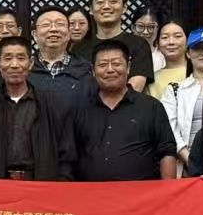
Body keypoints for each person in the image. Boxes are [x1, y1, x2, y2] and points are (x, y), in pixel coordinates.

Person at [0, 36, 72, 181]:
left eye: (21, 58)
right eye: (8, 58)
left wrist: (61, 182)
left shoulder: (51, 104)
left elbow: (66, 153)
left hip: (41, 184)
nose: (14, 65)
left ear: (31, 63)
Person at [69, 40, 177, 181]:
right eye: (102, 65)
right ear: (93, 71)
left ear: (128, 67)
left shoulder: (151, 107)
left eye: (116, 63)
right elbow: (68, 156)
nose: (110, 70)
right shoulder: (79, 109)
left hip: (142, 193)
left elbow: (167, 152)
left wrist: (168, 190)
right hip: (90, 192)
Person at [161, 28, 203, 176]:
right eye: (197, 48)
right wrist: (191, 161)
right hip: (186, 166)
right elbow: (169, 129)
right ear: (188, 53)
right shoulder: (174, 90)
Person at [72, 0, 154, 92]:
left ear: (124, 8)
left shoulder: (139, 44)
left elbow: (136, 86)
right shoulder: (79, 48)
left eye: (113, 1)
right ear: (91, 9)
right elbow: (75, 86)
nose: (106, 6)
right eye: (100, 2)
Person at [28, 6, 93, 119]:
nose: (53, 29)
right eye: (46, 24)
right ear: (34, 35)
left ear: (69, 33)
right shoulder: (24, 69)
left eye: (60, 24)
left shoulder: (86, 69)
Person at [147, 20, 189, 100]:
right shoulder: (151, 79)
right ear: (157, 44)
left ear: (188, 41)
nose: (171, 42)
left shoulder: (197, 72)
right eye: (165, 37)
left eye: (178, 36)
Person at [130, 4, 166, 73]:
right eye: (140, 26)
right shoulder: (123, 52)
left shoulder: (164, 55)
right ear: (133, 28)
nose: (145, 32)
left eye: (151, 27)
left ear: (159, 29)